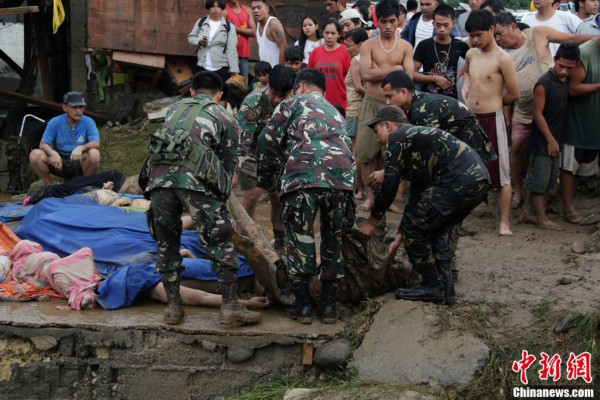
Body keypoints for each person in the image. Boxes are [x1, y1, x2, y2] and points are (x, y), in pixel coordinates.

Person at [144, 71, 260, 326]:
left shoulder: (173, 109)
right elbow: (228, 167)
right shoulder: (223, 116)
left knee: (167, 244)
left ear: (192, 91)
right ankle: (230, 307)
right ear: (219, 95)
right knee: (220, 241)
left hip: (159, 182)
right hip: (195, 184)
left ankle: (174, 308)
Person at [358, 105, 490, 304]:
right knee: (436, 231)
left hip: (459, 180)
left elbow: (389, 186)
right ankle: (445, 287)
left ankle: (432, 286)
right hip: (477, 182)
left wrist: (372, 221)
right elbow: (417, 197)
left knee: (415, 229)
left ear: (388, 126)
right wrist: (400, 234)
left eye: (376, 131)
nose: (377, 139)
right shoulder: (417, 144)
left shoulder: (399, 137)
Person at [256, 68, 355, 325]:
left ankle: (302, 306)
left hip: (303, 177)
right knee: (333, 240)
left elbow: (268, 143)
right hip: (341, 181)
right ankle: (329, 306)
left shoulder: (291, 104)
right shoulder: (336, 111)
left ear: (299, 87)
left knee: (300, 238)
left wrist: (266, 180)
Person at [494, 12, 598, 208]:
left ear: (513, 27)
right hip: (523, 109)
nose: (498, 39)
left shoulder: (538, 34)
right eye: (495, 36)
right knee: (517, 149)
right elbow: (503, 89)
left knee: (550, 153)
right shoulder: (501, 55)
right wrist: (505, 114)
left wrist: (596, 38)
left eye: (500, 33)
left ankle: (546, 199)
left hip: (554, 108)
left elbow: (572, 39)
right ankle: (518, 191)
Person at [463, 10, 520, 236]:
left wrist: (495, 103)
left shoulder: (503, 58)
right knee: (467, 167)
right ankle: (463, 216)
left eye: (479, 35)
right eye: (471, 36)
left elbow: (514, 93)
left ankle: (504, 221)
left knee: (501, 172)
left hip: (492, 117)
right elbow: (467, 74)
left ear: (491, 31)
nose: (475, 40)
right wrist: (466, 88)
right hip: (471, 118)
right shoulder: (471, 54)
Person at [358, 0, 414, 211]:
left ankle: (387, 199)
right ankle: (371, 197)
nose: (388, 26)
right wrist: (395, 69)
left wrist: (379, 70)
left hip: (395, 110)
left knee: (393, 155)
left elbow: (406, 79)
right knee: (365, 153)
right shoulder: (368, 45)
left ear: (399, 20)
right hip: (371, 103)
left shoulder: (405, 46)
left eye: (392, 21)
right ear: (377, 21)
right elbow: (365, 74)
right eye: (384, 22)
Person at [520, 43, 580, 230]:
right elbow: (537, 114)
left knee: (546, 180)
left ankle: (527, 213)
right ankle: (541, 218)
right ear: (555, 60)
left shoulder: (564, 82)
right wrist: (550, 140)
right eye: (561, 66)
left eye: (569, 68)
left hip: (555, 138)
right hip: (543, 141)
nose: (564, 71)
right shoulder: (544, 83)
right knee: (541, 182)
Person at [236, 65, 296, 252]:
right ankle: (245, 237)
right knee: (251, 194)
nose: (277, 99)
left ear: (292, 90)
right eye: (273, 93)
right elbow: (243, 143)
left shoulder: (296, 105)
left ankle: (280, 240)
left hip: (278, 155)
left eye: (283, 96)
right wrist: (237, 171)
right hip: (252, 154)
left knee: (278, 197)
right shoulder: (252, 102)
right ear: (267, 85)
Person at [561, 38, 600, 224]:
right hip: (578, 122)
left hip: (594, 123)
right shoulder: (585, 53)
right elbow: (573, 88)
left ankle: (570, 206)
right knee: (570, 167)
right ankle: (568, 208)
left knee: (582, 168)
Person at [30, 92, 100, 185]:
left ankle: (82, 185)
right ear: (65, 107)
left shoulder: (88, 121)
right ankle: (49, 185)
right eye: (74, 107)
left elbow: (96, 143)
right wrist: (53, 153)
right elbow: (43, 144)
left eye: (81, 107)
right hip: (58, 161)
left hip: (78, 160)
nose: (78, 110)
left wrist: (81, 148)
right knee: (35, 155)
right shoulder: (55, 122)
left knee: (94, 154)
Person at [413, 4, 470, 98]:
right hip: (428, 99)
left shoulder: (460, 45)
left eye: (446, 25)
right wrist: (433, 78)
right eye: (438, 25)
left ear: (453, 24)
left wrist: (459, 74)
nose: (442, 29)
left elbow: (471, 61)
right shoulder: (424, 45)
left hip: (451, 100)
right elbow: (412, 74)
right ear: (433, 24)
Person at [188, 0, 240, 92]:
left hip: (221, 67)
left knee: (221, 94)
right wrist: (199, 42)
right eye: (213, 6)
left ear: (222, 8)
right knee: (201, 92)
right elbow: (191, 38)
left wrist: (234, 69)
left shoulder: (229, 26)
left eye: (218, 7)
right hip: (203, 65)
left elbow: (231, 49)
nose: (216, 9)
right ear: (209, 8)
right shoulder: (201, 22)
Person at [308, 19, 351, 110]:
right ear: (322, 33)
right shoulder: (315, 52)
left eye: (333, 33)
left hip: (341, 103)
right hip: (318, 103)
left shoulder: (345, 51)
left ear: (339, 34)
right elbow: (309, 78)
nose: (329, 36)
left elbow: (350, 78)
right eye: (326, 33)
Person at [345, 28, 369, 149]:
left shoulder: (356, 60)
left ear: (360, 44)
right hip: (366, 109)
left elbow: (358, 87)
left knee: (353, 148)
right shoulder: (369, 58)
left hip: (354, 109)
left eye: (349, 46)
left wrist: (373, 97)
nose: (347, 49)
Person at [225, 0, 256, 84]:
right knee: (228, 84)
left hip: (243, 53)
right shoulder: (224, 10)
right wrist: (245, 30)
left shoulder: (247, 10)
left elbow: (253, 32)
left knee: (243, 85)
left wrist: (233, 28)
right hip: (228, 55)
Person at [251, 0, 287, 66]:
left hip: (276, 71)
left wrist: (281, 70)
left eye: (259, 7)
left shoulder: (273, 23)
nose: (255, 11)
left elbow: (283, 48)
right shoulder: (258, 23)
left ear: (267, 8)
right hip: (266, 73)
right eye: (253, 8)